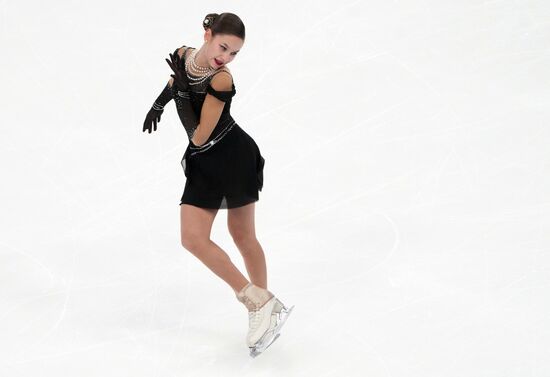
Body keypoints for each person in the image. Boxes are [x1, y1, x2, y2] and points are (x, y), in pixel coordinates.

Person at [142, 12, 293, 356]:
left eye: (234, 53)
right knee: (193, 239)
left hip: (231, 155)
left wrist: (180, 97)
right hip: (205, 162)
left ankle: (261, 310)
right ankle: (261, 304)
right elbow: (177, 80)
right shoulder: (184, 55)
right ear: (207, 34)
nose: (225, 58)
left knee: (243, 236)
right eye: (223, 47)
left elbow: (198, 136)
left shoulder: (222, 79)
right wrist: (159, 103)